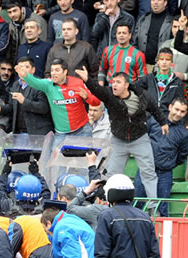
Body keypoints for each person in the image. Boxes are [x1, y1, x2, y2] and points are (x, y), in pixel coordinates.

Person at [75, 67, 168, 214]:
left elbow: (154, 108)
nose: (114, 85)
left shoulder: (141, 95)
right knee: (112, 173)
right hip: (118, 140)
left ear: (126, 85)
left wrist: (163, 122)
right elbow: (97, 90)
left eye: (118, 82)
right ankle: (107, 206)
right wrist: (87, 79)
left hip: (139, 139)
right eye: (113, 82)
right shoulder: (110, 96)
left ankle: (153, 207)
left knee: (148, 173)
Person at [16, 58, 100, 147]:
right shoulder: (48, 85)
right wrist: (25, 75)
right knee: (54, 160)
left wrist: (87, 97)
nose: (53, 73)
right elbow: (35, 82)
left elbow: (96, 102)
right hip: (61, 134)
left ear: (65, 72)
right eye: (52, 70)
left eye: (57, 70)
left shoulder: (78, 83)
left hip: (82, 130)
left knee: (85, 160)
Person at [134, 97, 188, 217]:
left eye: (183, 111)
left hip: (165, 173)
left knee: (163, 208)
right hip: (146, 169)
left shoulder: (184, 134)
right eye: (177, 109)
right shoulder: (153, 121)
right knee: (136, 203)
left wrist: (168, 163)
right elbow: (141, 139)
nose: (178, 114)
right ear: (170, 107)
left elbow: (182, 155)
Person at [0, 57, 53, 135]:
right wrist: (0, 108)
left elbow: (44, 108)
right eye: (20, 67)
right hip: (18, 132)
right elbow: (11, 106)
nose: (23, 70)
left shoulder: (40, 84)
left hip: (37, 133)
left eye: (26, 67)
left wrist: (24, 101)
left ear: (33, 70)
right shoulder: (16, 84)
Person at [135, 47, 184, 117]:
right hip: (148, 117)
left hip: (167, 118)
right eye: (161, 59)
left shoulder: (177, 82)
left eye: (167, 59)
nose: (164, 62)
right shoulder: (149, 78)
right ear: (157, 61)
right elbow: (133, 89)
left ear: (172, 62)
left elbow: (181, 104)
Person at [132, 0, 173, 72]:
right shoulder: (143, 19)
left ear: (165, 3)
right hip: (143, 66)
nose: (155, 2)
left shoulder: (171, 22)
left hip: (162, 68)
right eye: (153, 0)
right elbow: (134, 42)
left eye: (159, 0)